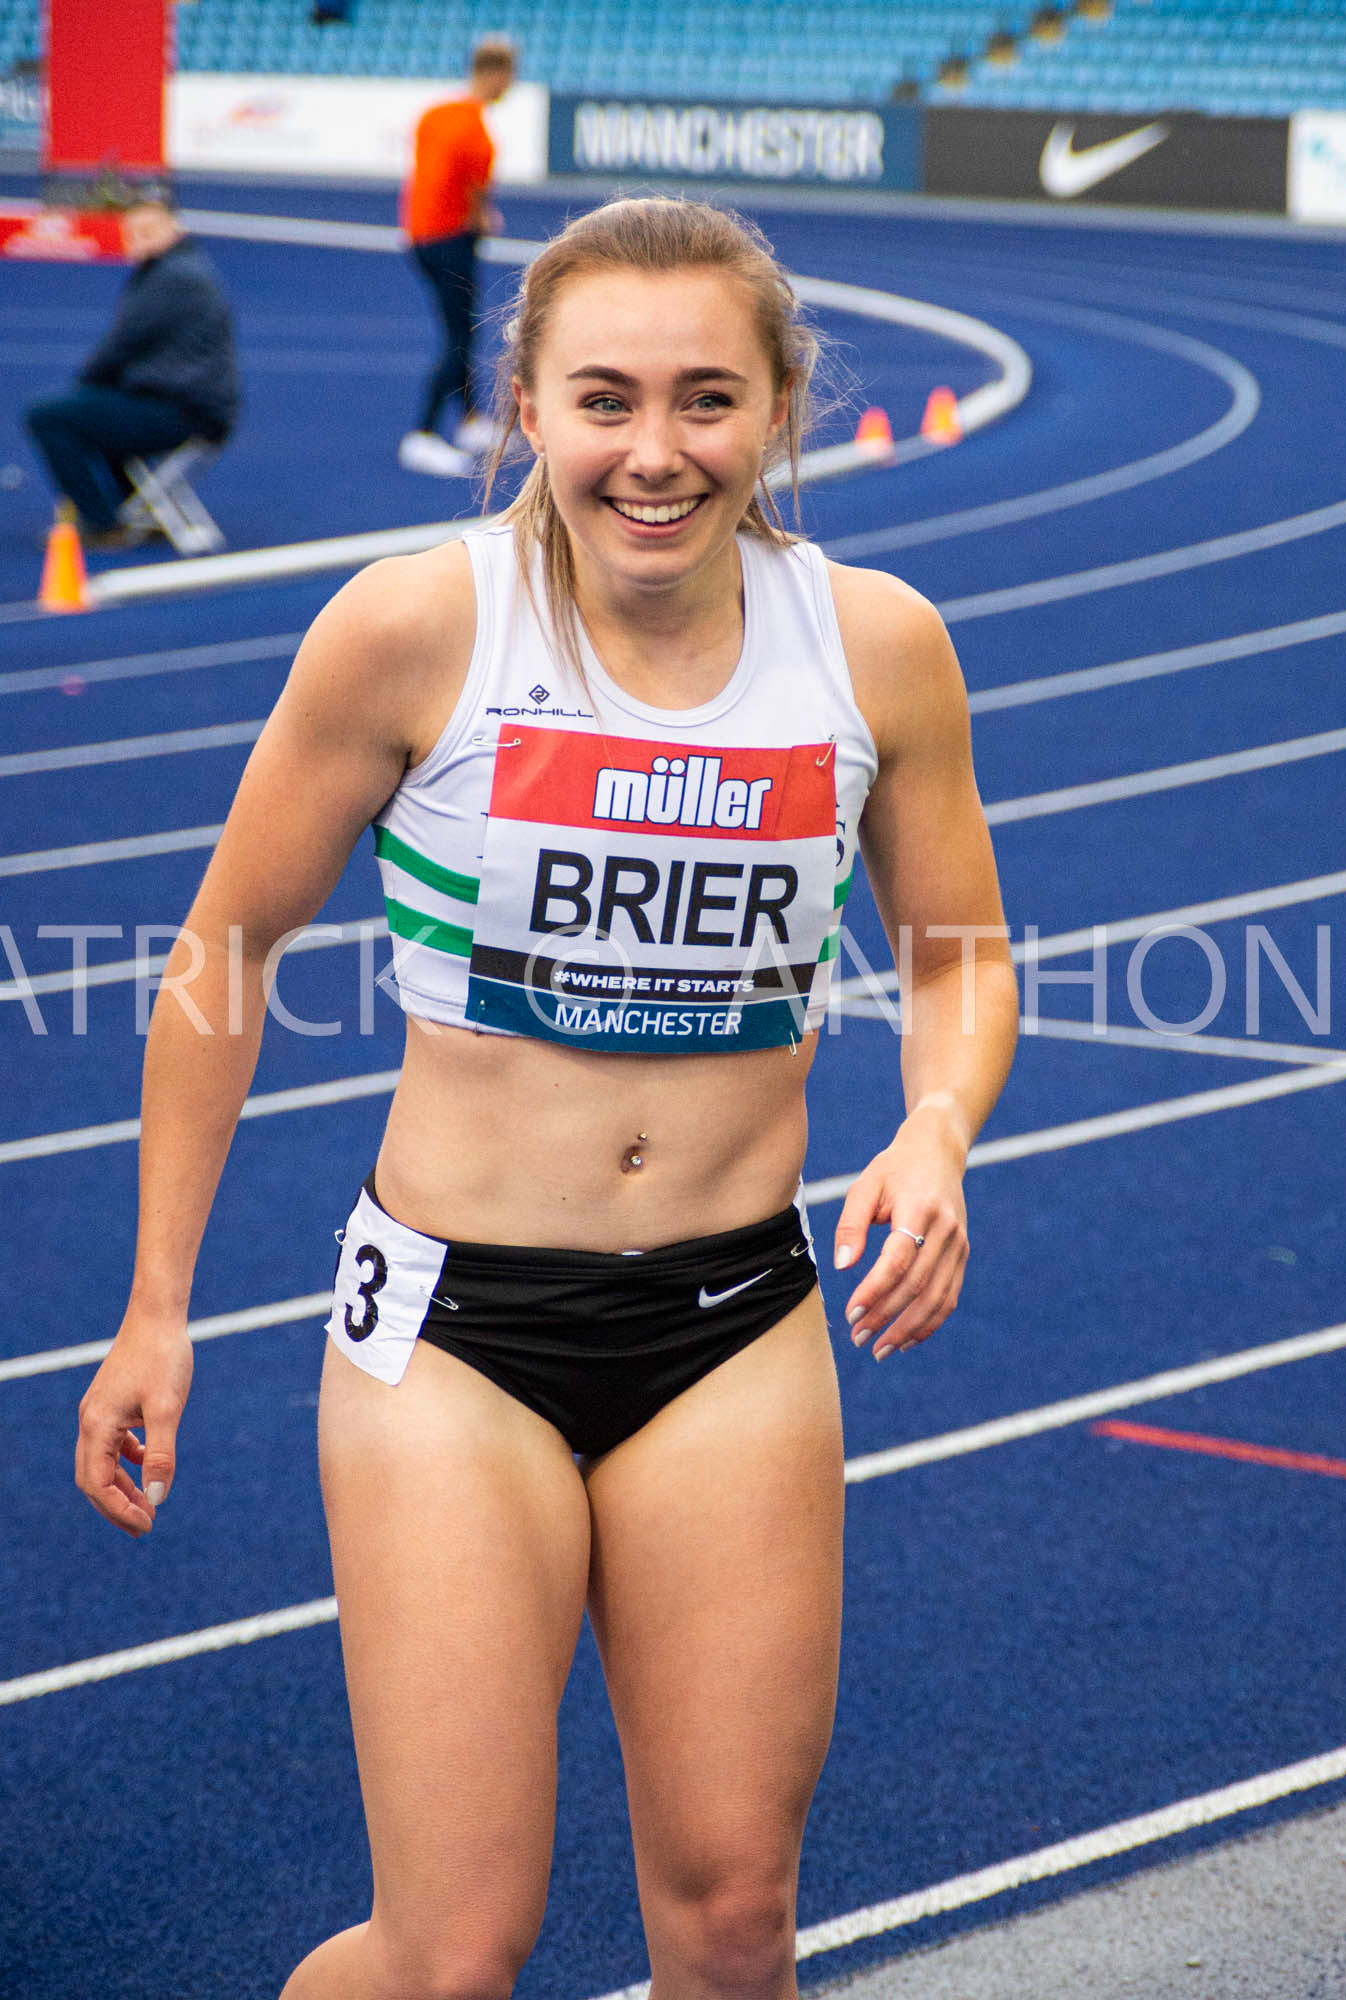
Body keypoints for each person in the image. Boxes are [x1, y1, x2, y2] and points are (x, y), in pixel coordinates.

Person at [74, 196, 1019, 2000]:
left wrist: (934, 1127)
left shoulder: (876, 645)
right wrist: (154, 1308)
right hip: (451, 1334)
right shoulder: (413, 629)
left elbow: (962, 961)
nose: (654, 453)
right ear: (524, 404)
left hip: (735, 1324)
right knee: (448, 1954)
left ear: (780, 410)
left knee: (735, 1921)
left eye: (704, 400)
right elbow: (220, 956)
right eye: (603, 399)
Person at [25, 185, 238, 548]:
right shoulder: (181, 268)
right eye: (133, 233)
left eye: (149, 231)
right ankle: (130, 508)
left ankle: (102, 522)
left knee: (48, 417)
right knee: (95, 411)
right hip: (192, 403)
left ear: (175, 229)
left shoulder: (172, 278)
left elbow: (120, 346)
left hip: (185, 410)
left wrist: (84, 388)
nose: (138, 241)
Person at [397, 35, 515, 479]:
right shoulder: (478, 134)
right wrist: (484, 216)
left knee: (458, 327)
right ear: (497, 74)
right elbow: (477, 199)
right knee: (459, 337)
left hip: (418, 236)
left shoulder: (436, 114)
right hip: (451, 239)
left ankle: (469, 419)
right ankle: (422, 435)